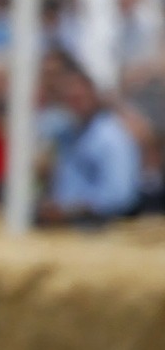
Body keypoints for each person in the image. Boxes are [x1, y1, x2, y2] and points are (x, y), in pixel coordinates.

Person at [39, 56, 140, 225]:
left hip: (99, 229)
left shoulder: (112, 138)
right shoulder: (63, 133)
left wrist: (71, 209)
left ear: (93, 95)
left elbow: (119, 196)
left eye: (79, 98)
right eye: (69, 98)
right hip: (63, 229)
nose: (75, 103)